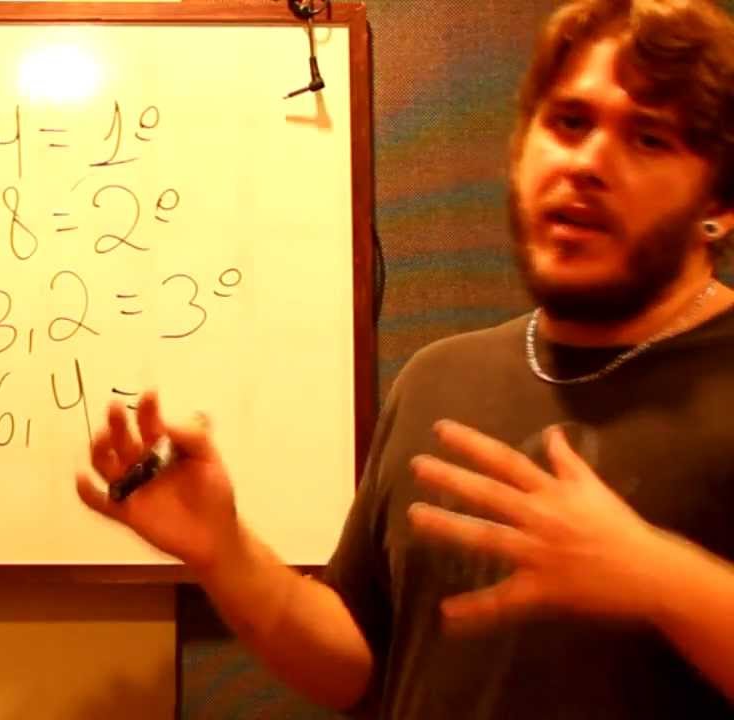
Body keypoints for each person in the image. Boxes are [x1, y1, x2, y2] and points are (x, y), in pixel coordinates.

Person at [75, 0, 734, 717]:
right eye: (569, 123)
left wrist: (665, 582)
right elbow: (356, 669)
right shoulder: (438, 379)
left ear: (720, 204)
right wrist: (223, 552)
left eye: (648, 138)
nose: (588, 162)